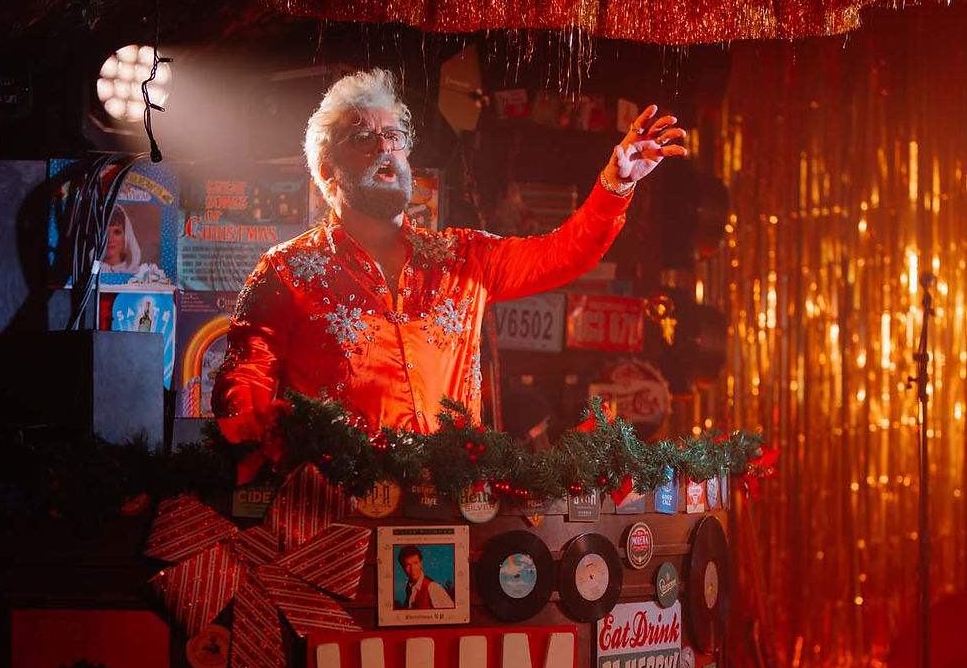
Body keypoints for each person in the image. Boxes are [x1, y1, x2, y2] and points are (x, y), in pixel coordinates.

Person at [212, 68, 687, 443]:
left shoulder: (463, 258)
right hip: (336, 519)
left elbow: (563, 255)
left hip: (454, 519)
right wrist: (279, 453)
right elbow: (244, 383)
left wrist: (617, 185)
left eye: (393, 136)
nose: (384, 146)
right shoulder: (286, 270)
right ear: (328, 170)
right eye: (363, 137)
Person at [397, 545, 454, 610]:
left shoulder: (432, 588)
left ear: (421, 563)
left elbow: (450, 616)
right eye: (408, 565)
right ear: (403, 568)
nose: (412, 569)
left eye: (415, 563)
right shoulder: (409, 589)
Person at [101, 207, 142, 272]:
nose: (110, 239)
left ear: (126, 237)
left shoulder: (138, 273)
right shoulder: (88, 272)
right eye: (104, 233)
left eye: (117, 232)